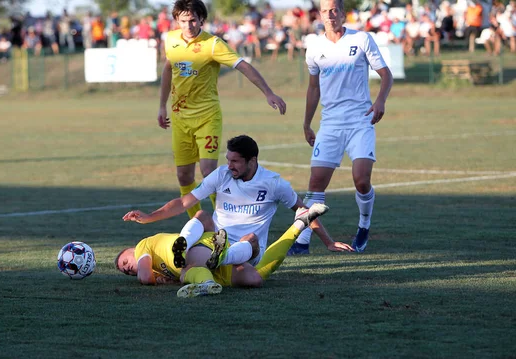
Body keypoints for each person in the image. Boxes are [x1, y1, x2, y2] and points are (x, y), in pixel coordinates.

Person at [122, 135, 353, 294]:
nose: (229, 165)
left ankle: (219, 257)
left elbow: (303, 210)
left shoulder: (273, 184)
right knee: (202, 214)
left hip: (247, 250)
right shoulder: (221, 175)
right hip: (214, 239)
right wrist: (149, 217)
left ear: (252, 161)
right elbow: (184, 202)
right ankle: (187, 246)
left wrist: (328, 242)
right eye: (228, 160)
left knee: (252, 254)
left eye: (235, 161)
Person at [157, 0, 287, 220]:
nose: (188, 25)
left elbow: (243, 65)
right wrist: (161, 105)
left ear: (201, 20)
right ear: (177, 20)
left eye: (193, 20)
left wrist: (268, 92)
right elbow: (169, 69)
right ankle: (197, 224)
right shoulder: (170, 40)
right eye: (183, 21)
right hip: (180, 119)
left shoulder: (213, 44)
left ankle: (226, 222)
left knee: (209, 173)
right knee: (183, 176)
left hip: (207, 117)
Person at [287, 0, 393, 255]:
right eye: (325, 11)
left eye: (335, 10)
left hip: (360, 121)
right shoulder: (313, 47)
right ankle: (301, 243)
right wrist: (306, 123)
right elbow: (313, 88)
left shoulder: (362, 39)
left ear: (343, 14)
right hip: (330, 124)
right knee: (315, 185)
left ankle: (364, 226)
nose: (330, 14)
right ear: (320, 15)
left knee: (361, 180)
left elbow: (386, 74)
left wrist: (380, 101)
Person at [116, 201, 331, 298]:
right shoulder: (162, 270)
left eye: (124, 262)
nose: (128, 268)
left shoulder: (143, 246)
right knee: (255, 278)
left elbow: (145, 278)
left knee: (200, 222)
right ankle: (300, 223)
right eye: (125, 271)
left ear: (131, 249)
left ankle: (200, 260)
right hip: (212, 255)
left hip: (199, 247)